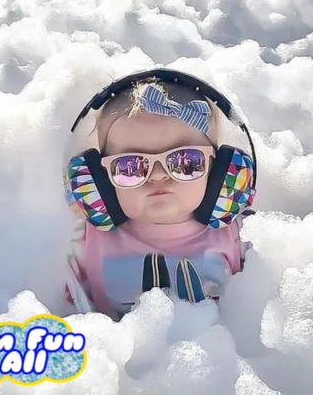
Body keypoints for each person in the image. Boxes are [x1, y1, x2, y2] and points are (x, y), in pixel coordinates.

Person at [64, 69, 256, 321]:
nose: (157, 176)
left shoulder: (242, 235)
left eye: (186, 161)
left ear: (219, 170)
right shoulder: (85, 241)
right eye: (130, 166)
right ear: (99, 180)